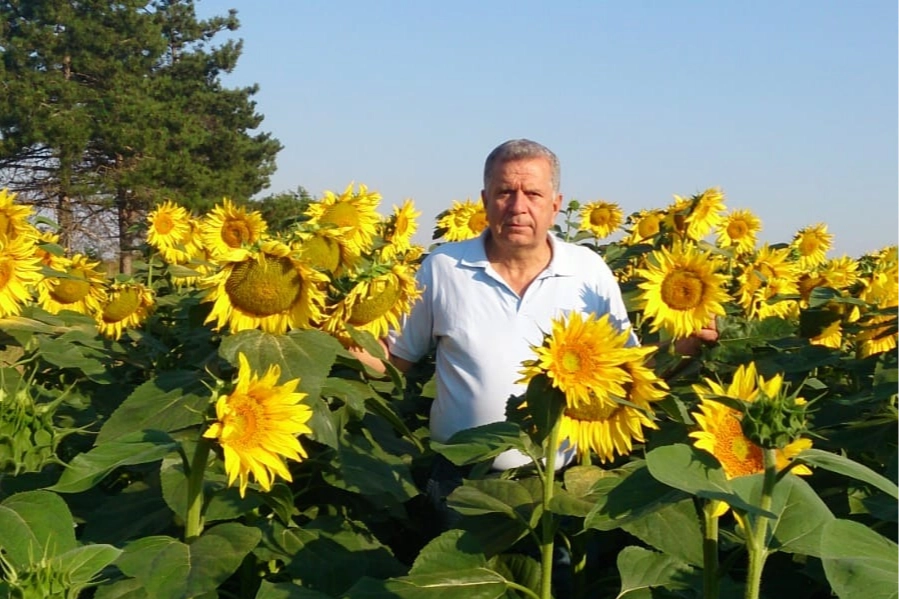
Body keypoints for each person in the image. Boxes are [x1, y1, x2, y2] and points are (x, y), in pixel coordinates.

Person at [356, 139, 716, 518]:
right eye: (504, 192)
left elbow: (626, 371)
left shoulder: (588, 270)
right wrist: (338, 342)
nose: (518, 206)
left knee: (550, 575)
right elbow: (396, 358)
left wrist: (681, 348)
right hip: (461, 480)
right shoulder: (444, 267)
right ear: (484, 199)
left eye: (532, 193)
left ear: (556, 204)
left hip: (556, 481)